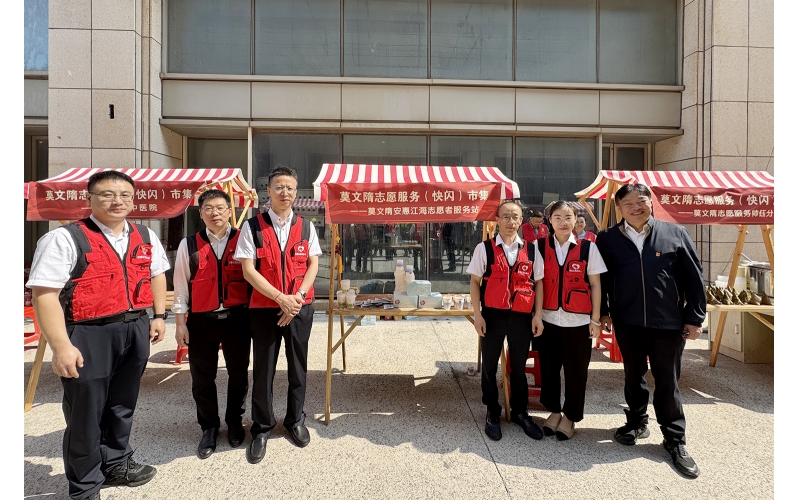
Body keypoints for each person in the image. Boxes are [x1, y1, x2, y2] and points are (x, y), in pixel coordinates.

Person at [26, 171, 170, 500]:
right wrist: (61, 346)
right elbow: (44, 294)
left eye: (124, 195)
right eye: (107, 194)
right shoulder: (64, 239)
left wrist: (159, 316)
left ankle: (116, 463)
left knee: (122, 404)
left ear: (133, 199)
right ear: (88, 198)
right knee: (86, 412)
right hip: (88, 332)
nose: (117, 201)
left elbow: (157, 274)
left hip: (135, 327)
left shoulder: (145, 234)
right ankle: (85, 486)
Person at [595, 183, 705, 479]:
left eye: (641, 200)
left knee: (667, 381)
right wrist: (603, 312)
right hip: (627, 321)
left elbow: (694, 277)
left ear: (651, 202)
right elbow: (602, 279)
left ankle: (675, 439)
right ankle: (636, 422)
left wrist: (695, 318)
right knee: (633, 375)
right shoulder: (607, 238)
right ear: (619, 208)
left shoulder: (675, 233)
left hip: (667, 322)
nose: (635, 207)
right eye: (628, 203)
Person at [235, 165, 322, 464]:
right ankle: (261, 427)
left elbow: (312, 264)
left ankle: (295, 420)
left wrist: (296, 299)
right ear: (268, 191)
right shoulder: (252, 227)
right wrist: (280, 298)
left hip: (299, 307)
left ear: (296, 193)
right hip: (264, 310)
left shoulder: (307, 227)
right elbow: (248, 270)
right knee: (264, 370)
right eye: (279, 187)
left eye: (290, 188)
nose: (285, 192)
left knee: (298, 367)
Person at [172, 189, 252, 460]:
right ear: (201, 212)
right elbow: (180, 286)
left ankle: (235, 421)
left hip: (237, 319)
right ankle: (209, 427)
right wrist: (180, 323)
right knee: (202, 378)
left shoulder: (244, 240)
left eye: (220, 208)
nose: (214, 213)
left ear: (230, 211)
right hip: (201, 321)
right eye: (208, 208)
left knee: (238, 374)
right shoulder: (189, 245)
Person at [467, 201, 545, 442]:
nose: (511, 222)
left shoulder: (531, 249)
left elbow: (539, 283)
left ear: (521, 220)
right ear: (497, 220)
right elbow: (475, 282)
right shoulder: (484, 248)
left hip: (522, 317)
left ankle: (520, 411)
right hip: (493, 315)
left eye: (515, 217)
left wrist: (538, 315)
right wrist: (477, 315)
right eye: (506, 217)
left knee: (518, 367)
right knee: (489, 366)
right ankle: (492, 410)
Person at [532, 201, 606, 441]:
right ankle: (554, 411)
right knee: (549, 370)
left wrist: (595, 320)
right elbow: (536, 283)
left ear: (576, 220)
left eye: (568, 217)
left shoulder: (588, 248)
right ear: (550, 221)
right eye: (557, 217)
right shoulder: (539, 246)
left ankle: (571, 416)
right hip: (548, 320)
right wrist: (536, 316)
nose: (563, 222)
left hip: (579, 322)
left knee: (577, 372)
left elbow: (596, 285)